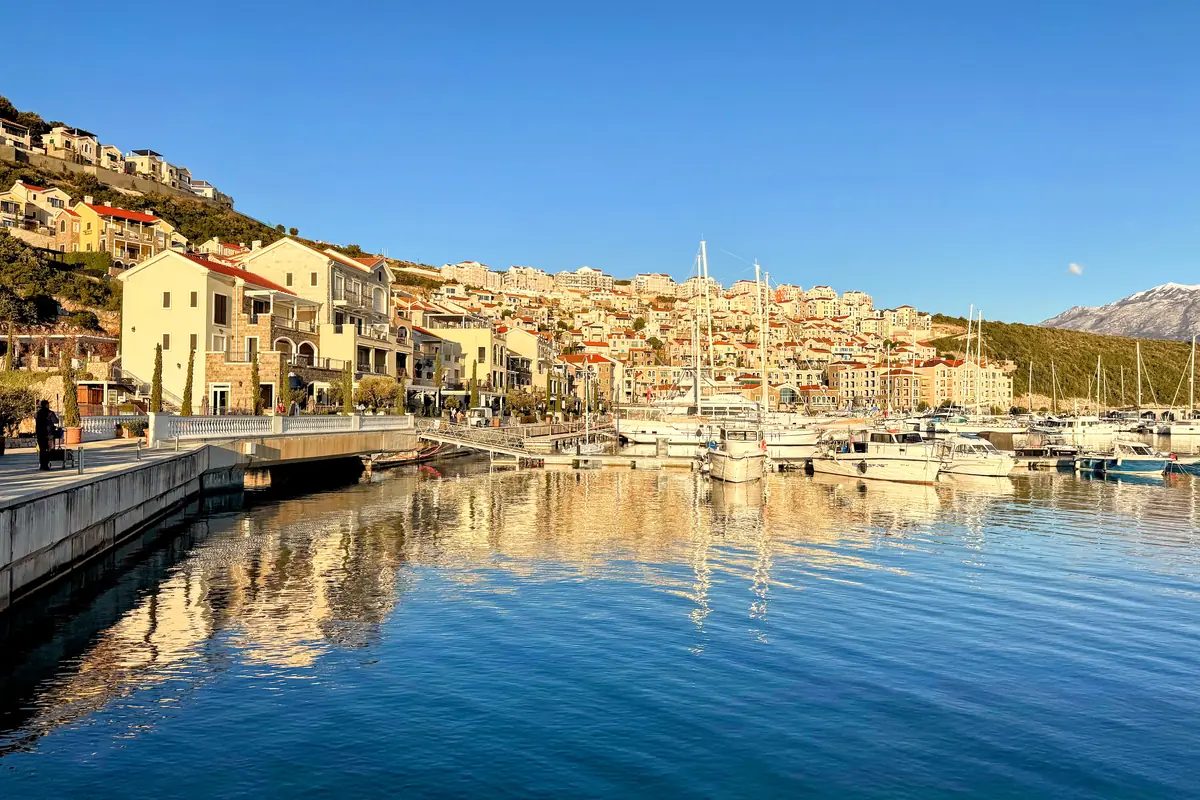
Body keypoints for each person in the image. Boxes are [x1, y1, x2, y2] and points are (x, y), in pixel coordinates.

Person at [35, 400, 59, 471]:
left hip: (40, 434)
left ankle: (42, 465)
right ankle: (46, 464)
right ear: (46, 405)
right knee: (49, 449)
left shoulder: (37, 413)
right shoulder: (50, 413)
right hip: (49, 434)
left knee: (42, 450)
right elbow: (56, 421)